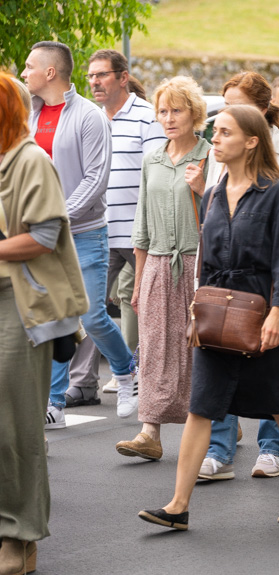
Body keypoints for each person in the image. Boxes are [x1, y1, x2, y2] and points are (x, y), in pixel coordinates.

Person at [138, 104, 279, 530]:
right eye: (215, 131)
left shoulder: (276, 193)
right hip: (218, 312)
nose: (215, 139)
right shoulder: (212, 193)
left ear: (251, 141)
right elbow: (207, 255)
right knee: (201, 407)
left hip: (262, 310)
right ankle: (177, 505)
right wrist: (197, 305)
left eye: (224, 132)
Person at [199, 71, 279, 480]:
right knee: (217, 358)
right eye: (224, 106)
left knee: (276, 370)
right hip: (228, 279)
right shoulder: (222, 150)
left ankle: (272, 449)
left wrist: (274, 218)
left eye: (238, 105)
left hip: (278, 274)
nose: (228, 116)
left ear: (259, 112)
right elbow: (220, 209)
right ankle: (218, 449)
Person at [21, 41, 136, 429]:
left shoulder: (89, 116)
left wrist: (56, 217)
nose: (23, 73)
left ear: (50, 72)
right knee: (54, 317)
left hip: (84, 233)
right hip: (41, 237)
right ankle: (53, 402)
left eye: (29, 66)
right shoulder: (29, 116)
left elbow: (96, 179)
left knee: (91, 314)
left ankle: (125, 372)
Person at [0, 72, 88, 575]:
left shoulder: (31, 160)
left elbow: (45, 235)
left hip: (20, 307)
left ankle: (19, 536)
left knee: (16, 428)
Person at [113, 76, 210, 462]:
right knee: (153, 348)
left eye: (177, 110)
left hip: (197, 264)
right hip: (155, 263)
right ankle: (149, 431)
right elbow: (142, 226)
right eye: (163, 111)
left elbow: (226, 215)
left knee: (196, 348)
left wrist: (205, 188)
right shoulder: (152, 159)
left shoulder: (209, 156)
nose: (168, 118)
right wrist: (138, 281)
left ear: (194, 113)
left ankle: (217, 422)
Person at [65, 49, 166, 407]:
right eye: (91, 76)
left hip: (140, 232)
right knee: (87, 310)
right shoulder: (89, 118)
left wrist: (151, 228)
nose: (94, 82)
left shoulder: (148, 116)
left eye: (102, 75)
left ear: (123, 77)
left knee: (146, 307)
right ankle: (83, 384)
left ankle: (149, 379)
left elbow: (155, 175)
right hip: (98, 230)